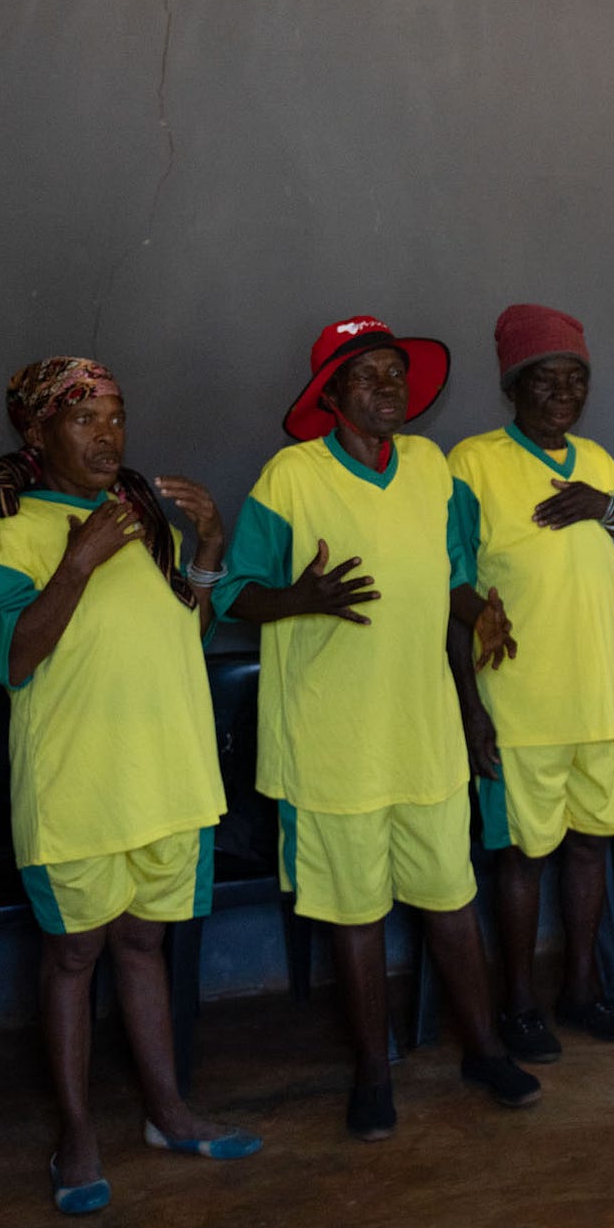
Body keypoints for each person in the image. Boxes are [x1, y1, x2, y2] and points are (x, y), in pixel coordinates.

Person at [217, 318, 538, 1139]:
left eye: (397, 373)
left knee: (451, 902)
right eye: (368, 375)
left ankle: (485, 1049)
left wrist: (480, 643)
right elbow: (234, 592)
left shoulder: (432, 469)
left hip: (424, 731)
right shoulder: (289, 478)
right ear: (329, 394)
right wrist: (302, 599)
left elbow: (452, 587)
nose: (389, 387)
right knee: (354, 914)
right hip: (333, 745)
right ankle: (372, 1073)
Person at [0, 358, 261, 1212]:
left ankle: (166, 1111)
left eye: (117, 418)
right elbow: (10, 657)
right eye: (86, 420)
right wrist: (77, 563)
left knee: (142, 946)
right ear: (37, 432)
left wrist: (206, 550)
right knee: (73, 954)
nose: (109, 437)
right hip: (79, 788)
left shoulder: (142, 520)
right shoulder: (8, 532)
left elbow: (186, 633)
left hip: (167, 777)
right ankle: (78, 1133)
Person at [448, 305, 614, 1058]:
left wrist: (610, 514)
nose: (563, 393)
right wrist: (473, 710)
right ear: (513, 388)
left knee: (591, 846)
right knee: (522, 856)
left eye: (576, 379)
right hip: (519, 700)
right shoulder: (474, 463)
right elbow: (451, 581)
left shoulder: (601, 465)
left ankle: (581, 992)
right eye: (545, 379)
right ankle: (519, 1005)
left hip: (597, 693)